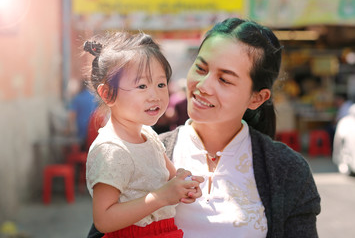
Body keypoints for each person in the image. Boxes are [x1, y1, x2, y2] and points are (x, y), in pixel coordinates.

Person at [88, 18, 321, 238]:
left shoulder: (287, 171)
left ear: (257, 98)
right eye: (200, 69)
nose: (203, 86)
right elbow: (105, 226)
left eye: (225, 80)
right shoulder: (138, 149)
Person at [84, 31, 203, 238]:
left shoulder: (148, 134)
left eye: (160, 84)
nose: (155, 95)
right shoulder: (112, 149)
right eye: (141, 86)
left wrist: (184, 182)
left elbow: (170, 176)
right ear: (107, 94)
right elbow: (103, 219)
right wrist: (161, 197)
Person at [67, 80, 98, 150]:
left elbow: (72, 115)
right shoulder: (94, 97)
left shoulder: (77, 98)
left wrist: (69, 129)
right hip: (93, 128)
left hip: (81, 129)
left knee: (82, 148)